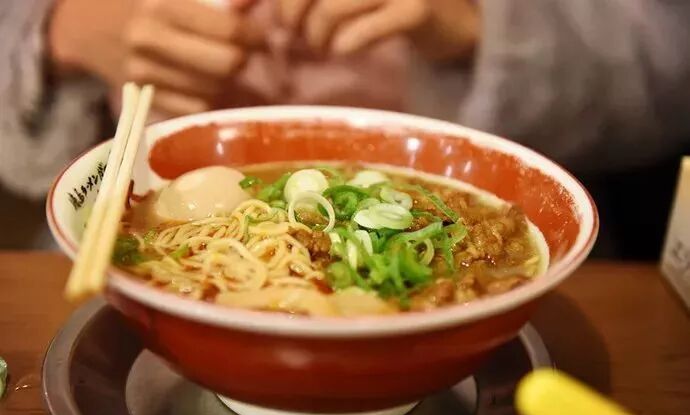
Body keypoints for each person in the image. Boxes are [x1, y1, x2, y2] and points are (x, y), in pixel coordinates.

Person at [3, 1, 690, 257]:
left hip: (496, 223)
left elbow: (674, 64)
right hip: (118, 223)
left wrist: (477, 26)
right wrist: (62, 28)